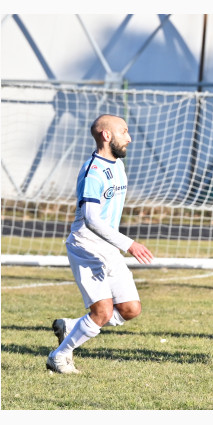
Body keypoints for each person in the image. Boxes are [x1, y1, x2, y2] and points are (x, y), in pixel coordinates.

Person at [46, 114, 154, 374]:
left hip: (108, 247)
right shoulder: (93, 172)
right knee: (103, 312)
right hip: (86, 248)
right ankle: (58, 357)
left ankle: (72, 327)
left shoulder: (117, 164)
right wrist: (130, 244)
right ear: (107, 135)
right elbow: (92, 219)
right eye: (124, 132)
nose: (129, 137)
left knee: (130, 309)